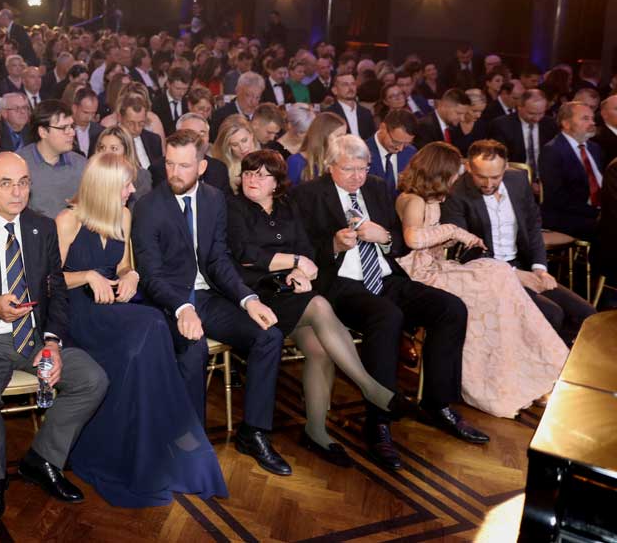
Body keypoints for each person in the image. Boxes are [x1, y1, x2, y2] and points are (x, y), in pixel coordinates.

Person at [0, 151, 109, 521]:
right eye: (6, 183)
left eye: (23, 183)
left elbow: (57, 290)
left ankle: (42, 460)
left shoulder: (41, 228)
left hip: (36, 337)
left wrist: (53, 342)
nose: (17, 192)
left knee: (93, 379)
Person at [293, 135, 486, 472]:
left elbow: (399, 242)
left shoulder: (378, 188)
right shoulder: (308, 195)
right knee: (386, 316)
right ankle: (378, 420)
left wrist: (383, 237)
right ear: (330, 165)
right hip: (341, 285)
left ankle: (438, 404)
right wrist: (334, 245)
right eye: (348, 169)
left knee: (451, 308)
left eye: (362, 168)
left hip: (385, 277)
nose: (357, 176)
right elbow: (301, 250)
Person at [58, 152, 227, 505]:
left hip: (112, 306)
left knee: (147, 336)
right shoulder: (68, 221)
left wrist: (131, 275)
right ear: (105, 186)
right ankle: (169, 432)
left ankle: (149, 440)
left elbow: (123, 266)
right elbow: (49, 281)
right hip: (78, 312)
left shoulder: (123, 215)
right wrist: (87, 276)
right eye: (126, 185)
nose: (132, 191)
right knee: (151, 323)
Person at [227, 150, 410, 465]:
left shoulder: (287, 206)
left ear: (276, 183)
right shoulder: (233, 207)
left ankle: (316, 431)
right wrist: (297, 262)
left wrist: (301, 271)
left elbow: (307, 248)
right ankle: (370, 388)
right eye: (248, 173)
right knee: (320, 304)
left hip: (289, 290)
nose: (252, 180)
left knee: (319, 348)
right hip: (253, 295)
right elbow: (246, 255)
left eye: (261, 174)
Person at [132, 130, 291, 477]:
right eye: (169, 164)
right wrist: (182, 308)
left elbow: (219, 259)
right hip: (168, 302)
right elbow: (150, 275)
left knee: (269, 336)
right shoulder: (147, 207)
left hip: (207, 296)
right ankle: (192, 443)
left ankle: (254, 432)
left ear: (202, 166)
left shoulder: (214, 199)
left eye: (184, 166)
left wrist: (248, 299)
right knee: (194, 349)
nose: (175, 173)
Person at [393, 142, 567, 417]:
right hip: (422, 277)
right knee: (494, 280)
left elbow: (431, 241)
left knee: (497, 274)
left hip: (438, 268)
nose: (456, 179)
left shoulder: (432, 199)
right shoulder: (412, 199)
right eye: (454, 173)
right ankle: (499, 378)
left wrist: (449, 238)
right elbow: (413, 238)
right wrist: (454, 231)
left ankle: (523, 370)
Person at [442, 139, 596, 344]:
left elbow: (532, 226)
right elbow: (467, 250)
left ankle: (559, 358)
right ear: (469, 167)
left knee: (586, 315)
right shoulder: (456, 193)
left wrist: (540, 268)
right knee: (552, 314)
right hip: (487, 274)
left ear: (506, 167)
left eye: (495, 177)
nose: (488, 184)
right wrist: (513, 274)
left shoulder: (518, 180)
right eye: (481, 177)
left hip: (522, 265)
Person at [539, 100, 603, 242]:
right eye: (585, 118)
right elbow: (557, 197)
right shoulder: (552, 150)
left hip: (598, 211)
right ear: (566, 123)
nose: (592, 123)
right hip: (567, 216)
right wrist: (597, 212)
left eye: (592, 118)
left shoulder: (595, 148)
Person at [16, 100, 86, 219]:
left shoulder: (82, 165)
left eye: (72, 126)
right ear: (43, 132)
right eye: (63, 128)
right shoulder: (19, 164)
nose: (72, 133)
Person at [487, 89, 554, 188]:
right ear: (519, 107)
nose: (536, 118)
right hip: (514, 180)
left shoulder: (550, 124)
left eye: (541, 113)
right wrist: (526, 183)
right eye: (531, 113)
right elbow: (500, 160)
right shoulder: (501, 125)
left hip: (545, 181)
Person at [367, 108, 418, 200]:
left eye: (406, 144)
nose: (400, 148)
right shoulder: (361, 152)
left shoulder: (411, 153)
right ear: (383, 128)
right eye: (396, 142)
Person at [93, 126, 152, 202]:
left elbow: (139, 207)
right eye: (102, 147)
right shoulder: (92, 175)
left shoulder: (141, 177)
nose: (106, 153)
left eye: (114, 148)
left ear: (127, 152)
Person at [286, 111, 346, 184]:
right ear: (323, 136)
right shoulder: (296, 162)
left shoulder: (340, 159)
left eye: (345, 135)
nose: (344, 140)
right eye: (339, 136)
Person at [323, 72, 376, 139]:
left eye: (353, 84)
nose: (350, 88)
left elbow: (372, 138)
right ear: (335, 90)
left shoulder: (366, 113)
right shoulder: (329, 114)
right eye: (345, 84)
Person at [71, 88, 103, 157]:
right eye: (86, 112)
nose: (90, 117)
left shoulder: (101, 131)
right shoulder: (64, 130)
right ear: (74, 108)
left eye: (93, 113)